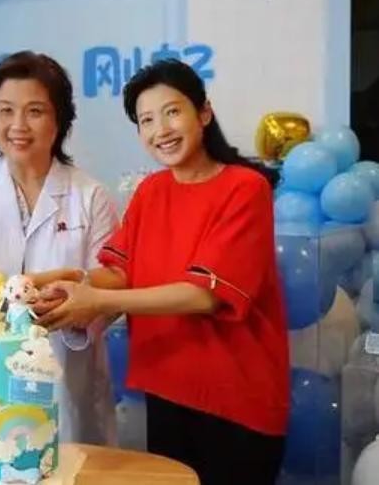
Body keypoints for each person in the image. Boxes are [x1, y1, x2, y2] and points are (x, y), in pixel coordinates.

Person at [31, 59, 289, 485]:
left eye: (172, 112)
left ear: (203, 113)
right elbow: (121, 272)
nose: (161, 130)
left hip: (235, 397)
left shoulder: (245, 188)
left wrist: (97, 300)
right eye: (146, 120)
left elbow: (204, 294)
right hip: (168, 387)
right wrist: (66, 282)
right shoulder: (151, 191)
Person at [0, 50, 118, 444]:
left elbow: (109, 285)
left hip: (64, 369)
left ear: (59, 120)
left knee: (68, 462)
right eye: (5, 110)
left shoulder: (91, 195)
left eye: (35, 111)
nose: (18, 125)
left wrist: (62, 306)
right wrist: (18, 294)